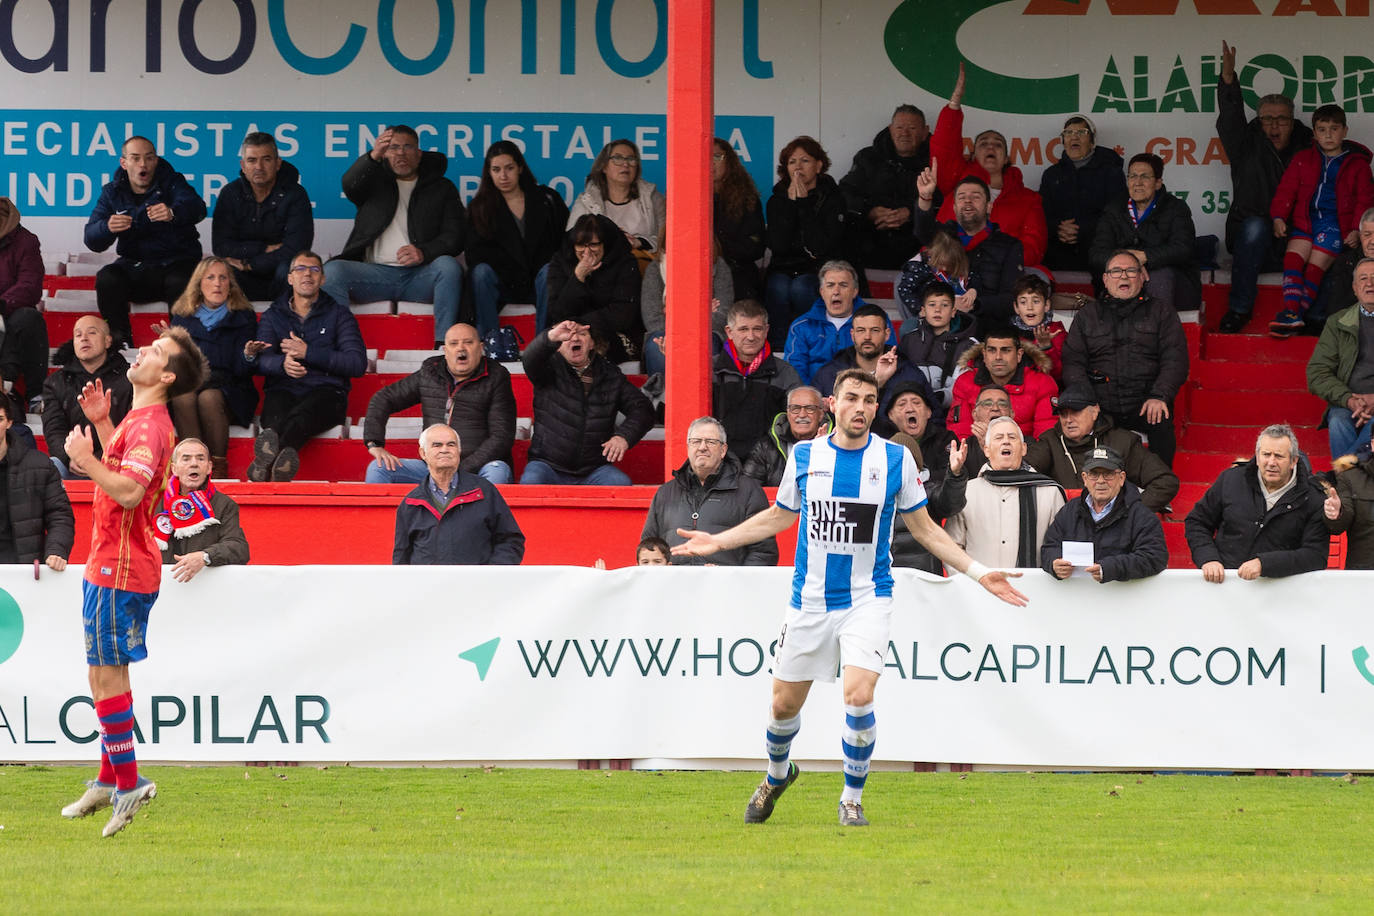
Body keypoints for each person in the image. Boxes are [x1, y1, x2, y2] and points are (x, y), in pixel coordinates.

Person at [672, 369, 1027, 828]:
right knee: (782, 707)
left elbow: (925, 530)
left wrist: (979, 573)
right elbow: (779, 517)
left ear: (876, 408)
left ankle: (851, 797)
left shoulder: (895, 460)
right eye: (852, 398)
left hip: (868, 598)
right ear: (832, 404)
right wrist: (718, 542)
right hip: (810, 602)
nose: (861, 407)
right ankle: (778, 775)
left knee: (859, 696)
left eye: (869, 399)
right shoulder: (804, 456)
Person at [58, 324, 208, 837]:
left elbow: (126, 491)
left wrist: (84, 461)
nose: (143, 350)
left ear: (165, 375)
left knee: (107, 678)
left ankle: (128, 784)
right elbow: (131, 479)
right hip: (112, 561)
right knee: (103, 676)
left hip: (119, 567)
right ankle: (107, 779)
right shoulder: (141, 420)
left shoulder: (150, 427)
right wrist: (102, 426)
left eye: (156, 351)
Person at [322, 125, 464, 345]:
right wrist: (373, 156)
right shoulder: (372, 182)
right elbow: (350, 185)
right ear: (385, 154)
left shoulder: (442, 187)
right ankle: (343, 344)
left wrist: (424, 252)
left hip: (419, 277)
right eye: (393, 147)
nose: (400, 153)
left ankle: (444, 345)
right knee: (332, 271)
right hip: (373, 276)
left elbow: (455, 236)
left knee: (448, 267)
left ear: (419, 154)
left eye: (408, 147)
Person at [1215, 40, 1312, 333]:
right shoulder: (1245, 142)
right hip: (1252, 235)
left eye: (1281, 119)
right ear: (1258, 121)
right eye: (1267, 119)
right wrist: (1229, 81)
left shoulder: (1309, 143)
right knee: (1256, 226)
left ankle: (1313, 316)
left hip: (1294, 234)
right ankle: (1239, 309)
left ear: (1293, 122)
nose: (1274, 126)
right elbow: (1230, 118)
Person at [245, 251, 366, 482]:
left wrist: (308, 353)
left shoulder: (340, 315)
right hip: (283, 388)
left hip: (328, 393)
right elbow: (261, 360)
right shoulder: (273, 316)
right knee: (274, 420)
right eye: (300, 269)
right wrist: (283, 364)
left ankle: (267, 463)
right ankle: (278, 465)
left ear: (323, 279)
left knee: (300, 417)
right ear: (289, 278)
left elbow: (356, 363)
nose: (307, 274)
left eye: (314, 270)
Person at [1062, 250, 1190, 467]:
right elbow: (1073, 361)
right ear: (1105, 279)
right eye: (1116, 271)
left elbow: (1175, 359)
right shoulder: (1087, 315)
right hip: (1100, 404)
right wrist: (1087, 402)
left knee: (1160, 419)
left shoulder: (1162, 312)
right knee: (1073, 419)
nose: (1123, 276)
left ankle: (1159, 491)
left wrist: (1159, 395)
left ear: (1142, 277)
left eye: (1131, 271)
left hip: (1146, 401)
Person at [84, 136, 207, 347]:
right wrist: (107, 227)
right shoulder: (111, 192)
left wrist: (173, 212)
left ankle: (181, 346)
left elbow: (198, 208)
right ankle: (120, 344)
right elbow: (91, 239)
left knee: (181, 280)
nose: (143, 164)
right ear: (124, 163)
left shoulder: (173, 181)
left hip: (177, 264)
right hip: (137, 268)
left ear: (156, 161)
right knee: (107, 278)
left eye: (149, 158)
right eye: (136, 158)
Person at [364, 322, 515, 485]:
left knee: (498, 471)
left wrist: (460, 471)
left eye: (468, 342)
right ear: (445, 351)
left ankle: (480, 511)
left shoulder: (497, 376)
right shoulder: (430, 371)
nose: (461, 348)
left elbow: (501, 437)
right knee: (378, 469)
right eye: (454, 343)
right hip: (433, 468)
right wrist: (374, 443)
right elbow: (383, 398)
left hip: (478, 468)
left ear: (481, 348)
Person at [1268, 104, 1374, 337]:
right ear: (1314, 133)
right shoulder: (1303, 159)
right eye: (1322, 129)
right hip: (1305, 224)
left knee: (1315, 267)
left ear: (1345, 131)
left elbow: (1364, 201)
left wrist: (1357, 230)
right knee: (1293, 259)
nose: (1328, 134)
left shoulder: (1358, 165)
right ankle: (1291, 313)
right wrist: (1278, 217)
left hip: (1335, 227)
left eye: (1334, 128)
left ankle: (1295, 315)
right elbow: (1286, 191)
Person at [930, 63, 1047, 269]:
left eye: (998, 144)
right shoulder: (956, 181)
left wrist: (992, 262)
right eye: (983, 143)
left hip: (1003, 274)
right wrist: (954, 105)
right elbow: (944, 149)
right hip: (952, 267)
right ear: (974, 155)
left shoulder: (1028, 199)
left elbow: (1033, 246)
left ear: (1006, 158)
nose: (990, 146)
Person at [1184, 423, 1332, 582]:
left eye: (1279, 456)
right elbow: (1197, 522)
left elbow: (1315, 556)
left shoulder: (1314, 498)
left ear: (1293, 461)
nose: (1271, 462)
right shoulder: (1230, 480)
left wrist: (1265, 564)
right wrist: (1208, 558)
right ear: (1257, 456)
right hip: (1224, 587)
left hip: (1281, 594)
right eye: (1266, 454)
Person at [519, 320, 655, 486]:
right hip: (547, 466)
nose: (575, 339)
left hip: (594, 470)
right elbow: (530, 359)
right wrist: (551, 336)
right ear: (557, 347)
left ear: (591, 344)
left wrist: (623, 437)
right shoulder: (548, 368)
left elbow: (643, 409)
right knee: (531, 482)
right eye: (567, 337)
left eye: (582, 334)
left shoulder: (610, 374)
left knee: (620, 484)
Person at [165, 257, 259, 479]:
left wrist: (248, 355)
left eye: (223, 278)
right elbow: (179, 370)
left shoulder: (243, 317)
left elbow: (241, 372)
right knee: (182, 397)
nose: (217, 283)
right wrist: (168, 347)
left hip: (231, 391)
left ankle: (217, 468)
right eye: (210, 277)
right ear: (199, 284)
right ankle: (192, 466)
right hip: (193, 384)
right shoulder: (182, 317)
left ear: (230, 284)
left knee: (209, 398)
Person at [465, 140, 569, 337]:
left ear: (520, 168)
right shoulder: (479, 207)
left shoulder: (547, 200)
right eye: (496, 170)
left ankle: (545, 343)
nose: (503, 176)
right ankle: (490, 341)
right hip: (504, 283)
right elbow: (475, 254)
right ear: (489, 172)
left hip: (539, 281)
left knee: (550, 271)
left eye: (509, 168)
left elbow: (561, 244)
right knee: (480, 273)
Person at [640, 417, 777, 566]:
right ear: (688, 447)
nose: (702, 447)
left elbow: (763, 552)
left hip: (725, 587)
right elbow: (648, 547)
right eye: (696, 441)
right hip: (675, 586)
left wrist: (732, 581)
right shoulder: (665, 493)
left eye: (710, 442)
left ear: (723, 450)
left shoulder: (749, 491)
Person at [1025, 385, 1179, 513]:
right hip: (1065, 525)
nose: (1068, 420)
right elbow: (1022, 472)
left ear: (1095, 411)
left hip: (1114, 530)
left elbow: (1165, 482)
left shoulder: (1122, 441)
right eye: (1063, 414)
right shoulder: (1050, 441)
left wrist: (1129, 512)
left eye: (1075, 412)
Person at [392, 424, 525, 565]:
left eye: (451, 444)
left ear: (459, 450)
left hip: (476, 585)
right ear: (423, 453)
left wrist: (490, 576)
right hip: (429, 586)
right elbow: (401, 560)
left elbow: (511, 541)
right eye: (437, 445)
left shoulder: (484, 491)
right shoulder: (411, 503)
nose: (445, 450)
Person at [945, 416, 1065, 568]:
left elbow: (1060, 548)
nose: (1006, 441)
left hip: (1034, 589)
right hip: (977, 588)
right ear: (986, 450)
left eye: (1012, 437)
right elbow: (952, 547)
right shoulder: (967, 491)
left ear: (1024, 449)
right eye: (999, 437)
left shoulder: (1050, 492)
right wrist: (968, 586)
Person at [1089, 153, 1201, 312]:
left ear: (1158, 183)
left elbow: (1183, 248)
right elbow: (1096, 254)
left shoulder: (1176, 208)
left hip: (1171, 281)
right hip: (1124, 276)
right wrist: (1129, 262)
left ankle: (1158, 330)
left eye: (1145, 177)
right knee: (1118, 274)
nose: (1138, 183)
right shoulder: (1114, 209)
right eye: (1133, 176)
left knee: (1159, 276)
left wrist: (1146, 257)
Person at [211, 131, 314, 302]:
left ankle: (288, 323)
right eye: (252, 160)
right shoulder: (230, 193)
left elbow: (296, 248)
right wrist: (263, 248)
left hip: (277, 273)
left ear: (278, 163)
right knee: (222, 272)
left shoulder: (295, 194)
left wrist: (250, 264)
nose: (259, 167)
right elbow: (221, 247)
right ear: (243, 166)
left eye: (266, 159)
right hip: (242, 274)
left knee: (291, 269)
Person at [764, 136, 846, 348]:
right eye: (792, 162)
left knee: (802, 287)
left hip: (817, 269)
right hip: (783, 269)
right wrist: (791, 206)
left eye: (805, 161)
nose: (798, 167)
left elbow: (820, 247)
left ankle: (808, 345)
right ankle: (779, 351)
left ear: (819, 166)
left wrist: (803, 205)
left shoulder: (833, 198)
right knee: (778, 287)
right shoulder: (776, 200)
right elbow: (779, 246)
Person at [1041, 446, 1168, 582]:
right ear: (1085, 478)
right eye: (1094, 474)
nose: (1100, 481)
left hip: (1124, 599)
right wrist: (1054, 563)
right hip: (1075, 597)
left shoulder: (1141, 515)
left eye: (1108, 474)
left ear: (1121, 478)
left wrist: (1111, 568)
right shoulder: (1070, 510)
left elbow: (1155, 557)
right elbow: (1049, 548)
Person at [913, 167, 1024, 323]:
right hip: (939, 324)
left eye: (975, 197)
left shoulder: (1009, 245)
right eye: (961, 197)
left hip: (988, 326)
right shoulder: (944, 235)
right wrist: (925, 197)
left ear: (989, 207)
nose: (967, 201)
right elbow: (923, 232)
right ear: (954, 207)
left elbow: (1011, 297)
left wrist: (973, 305)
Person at [885, 381, 968, 573]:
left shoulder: (928, 491)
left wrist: (955, 474)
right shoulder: (874, 492)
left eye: (916, 402)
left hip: (925, 577)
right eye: (895, 462)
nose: (910, 408)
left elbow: (950, 503)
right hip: (885, 578)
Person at [839, 105, 931, 271]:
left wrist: (911, 212)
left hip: (918, 244)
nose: (905, 133)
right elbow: (845, 194)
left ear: (925, 132)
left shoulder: (935, 161)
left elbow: (943, 201)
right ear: (890, 129)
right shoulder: (868, 157)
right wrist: (870, 211)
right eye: (900, 127)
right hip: (870, 241)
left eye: (912, 128)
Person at [545, 214, 644, 364]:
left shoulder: (625, 263)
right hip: (569, 331)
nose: (586, 252)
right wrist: (578, 277)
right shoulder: (561, 262)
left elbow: (623, 315)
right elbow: (556, 313)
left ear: (605, 244)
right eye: (580, 245)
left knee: (590, 345)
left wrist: (579, 325)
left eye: (593, 244)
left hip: (614, 333)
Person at [43, 316, 133, 479]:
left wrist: (98, 460)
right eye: (78, 335)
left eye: (92, 332)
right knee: (52, 466)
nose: (84, 338)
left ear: (107, 341)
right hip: (73, 464)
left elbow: (134, 430)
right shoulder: (56, 382)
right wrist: (71, 458)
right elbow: (54, 430)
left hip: (121, 464)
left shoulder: (130, 378)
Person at [713, 299, 801, 462]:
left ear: (766, 330)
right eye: (743, 329)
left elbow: (798, 422)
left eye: (757, 329)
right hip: (719, 462)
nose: (751, 336)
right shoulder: (710, 369)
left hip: (768, 466)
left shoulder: (785, 373)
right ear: (729, 332)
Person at [812, 303, 931, 421]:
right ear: (852, 335)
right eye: (861, 330)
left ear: (887, 334)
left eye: (874, 330)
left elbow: (934, 418)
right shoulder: (828, 374)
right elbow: (814, 419)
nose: (867, 337)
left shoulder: (910, 374)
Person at [1039, 115, 1126, 273]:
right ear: (1063, 141)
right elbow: (1043, 213)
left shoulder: (1111, 172)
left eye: (1081, 132)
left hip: (1099, 250)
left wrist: (1081, 230)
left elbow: (1116, 214)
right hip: (1058, 250)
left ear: (1092, 141)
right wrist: (1058, 228)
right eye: (1068, 133)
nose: (1074, 137)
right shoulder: (1051, 175)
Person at [1307, 258, 1374, 461]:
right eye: (1363, 278)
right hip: (1349, 403)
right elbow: (1317, 372)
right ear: (1355, 288)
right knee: (1337, 420)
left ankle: (1343, 480)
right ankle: (1351, 482)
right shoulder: (1338, 322)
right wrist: (1349, 400)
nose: (1369, 283)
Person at [784, 260, 893, 385]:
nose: (836, 291)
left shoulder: (878, 320)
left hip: (862, 395)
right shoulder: (802, 326)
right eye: (830, 285)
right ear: (821, 291)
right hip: (815, 398)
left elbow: (887, 361)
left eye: (843, 285)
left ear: (855, 291)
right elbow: (794, 370)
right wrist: (814, 397)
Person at [0, 389, 73, 571]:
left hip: (25, 575)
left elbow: (60, 515)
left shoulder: (40, 465)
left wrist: (56, 549)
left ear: (9, 422)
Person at [156, 437, 249, 579]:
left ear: (209, 467)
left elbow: (239, 548)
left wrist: (205, 557)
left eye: (200, 459)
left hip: (204, 587)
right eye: (186, 459)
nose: (194, 464)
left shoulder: (224, 504)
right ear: (174, 468)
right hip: (159, 587)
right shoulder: (155, 502)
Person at [945, 326, 1058, 442]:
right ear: (984, 354)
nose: (998, 357)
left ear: (1019, 355)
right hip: (976, 454)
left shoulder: (1042, 383)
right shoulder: (965, 382)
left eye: (1006, 350)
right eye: (992, 350)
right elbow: (960, 433)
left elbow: (1046, 438)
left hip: (1026, 454)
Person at [568, 139, 666, 263]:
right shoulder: (586, 200)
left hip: (642, 265)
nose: (625, 164)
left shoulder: (653, 198)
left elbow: (666, 241)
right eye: (618, 158)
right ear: (604, 166)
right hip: (598, 265)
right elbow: (571, 241)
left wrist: (639, 242)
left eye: (631, 159)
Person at [640, 245, 734, 376]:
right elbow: (652, 319)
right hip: (665, 331)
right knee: (657, 345)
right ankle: (660, 396)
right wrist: (701, 312)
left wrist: (675, 313)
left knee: (707, 342)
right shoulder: (655, 268)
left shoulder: (718, 266)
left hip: (707, 331)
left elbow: (722, 316)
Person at [897, 279, 978, 418]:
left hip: (948, 413)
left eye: (944, 305)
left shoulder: (969, 345)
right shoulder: (909, 340)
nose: (937, 310)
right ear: (922, 311)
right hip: (909, 410)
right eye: (932, 304)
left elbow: (965, 387)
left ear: (953, 311)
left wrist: (939, 397)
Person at [0, 197, 51, 409]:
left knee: (28, 318)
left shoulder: (26, 241)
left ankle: (35, 394)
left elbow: (30, 286)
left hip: (12, 312)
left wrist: (1, 306)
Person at [741, 385, 831, 487]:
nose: (802, 415)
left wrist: (824, 453)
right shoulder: (766, 447)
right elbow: (748, 489)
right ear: (788, 413)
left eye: (810, 408)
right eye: (795, 408)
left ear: (821, 414)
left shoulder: (836, 443)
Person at [712, 138, 766, 299]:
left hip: (737, 270)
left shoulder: (746, 198)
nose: (710, 163)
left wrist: (720, 248)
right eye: (704, 157)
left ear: (729, 162)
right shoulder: (687, 198)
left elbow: (755, 247)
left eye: (716, 157)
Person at [896, 228, 978, 321]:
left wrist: (973, 290)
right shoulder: (919, 266)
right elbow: (905, 289)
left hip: (962, 315)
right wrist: (921, 309)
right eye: (941, 264)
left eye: (949, 264)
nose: (944, 269)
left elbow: (975, 277)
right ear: (932, 254)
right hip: (930, 315)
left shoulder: (964, 263)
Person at [1010, 274, 1066, 382]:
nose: (1030, 307)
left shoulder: (1057, 332)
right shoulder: (1009, 334)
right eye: (1023, 302)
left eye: (1036, 301)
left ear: (1046, 305)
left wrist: (1047, 348)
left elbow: (1059, 375)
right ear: (1016, 307)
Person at [1320, 207, 1374, 317]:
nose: (1372, 242)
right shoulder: (1346, 262)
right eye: (1367, 235)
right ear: (1360, 236)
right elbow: (1337, 309)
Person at [1324, 450, 1374, 567]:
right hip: (1362, 576)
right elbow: (1338, 527)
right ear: (1372, 443)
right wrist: (1336, 513)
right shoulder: (1350, 478)